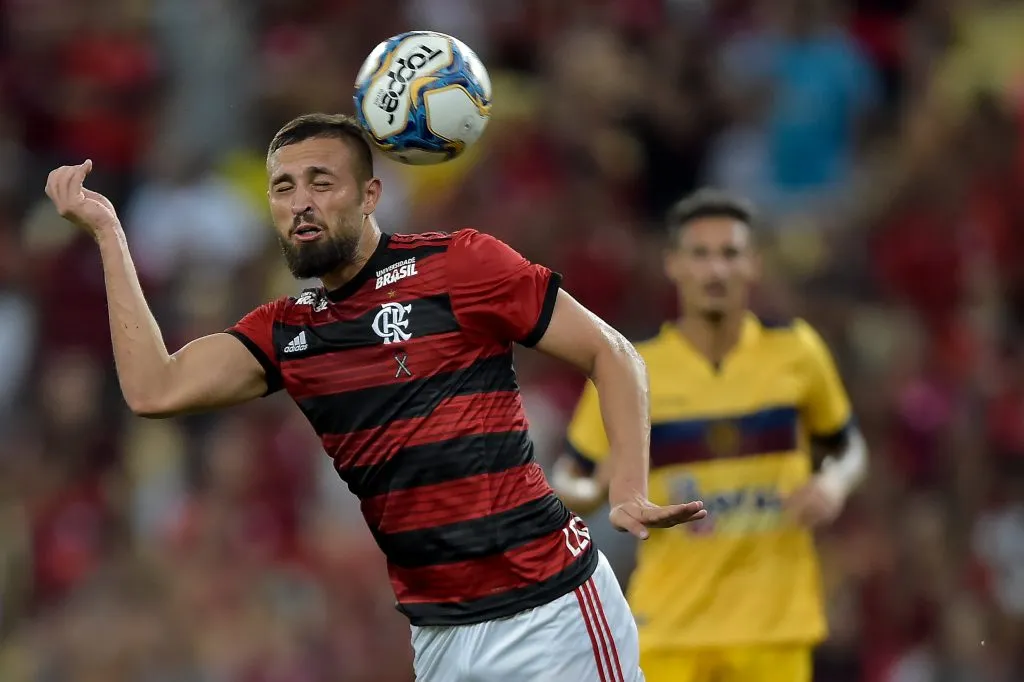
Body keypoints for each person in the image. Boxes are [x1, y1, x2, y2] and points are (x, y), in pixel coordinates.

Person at [44, 112, 707, 682]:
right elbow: (154, 388)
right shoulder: (287, 331)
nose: (300, 202)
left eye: (320, 182)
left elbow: (612, 352)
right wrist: (108, 233)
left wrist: (626, 490)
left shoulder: (461, 264)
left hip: (550, 608)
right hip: (441, 636)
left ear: (370, 195)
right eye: (283, 187)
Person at [551, 189, 868, 682]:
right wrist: (594, 492)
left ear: (753, 264)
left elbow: (847, 447)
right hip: (671, 627)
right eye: (700, 255)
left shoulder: (798, 353)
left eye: (730, 254)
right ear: (674, 265)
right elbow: (568, 474)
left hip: (774, 626)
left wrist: (834, 483)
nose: (715, 271)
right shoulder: (633, 368)